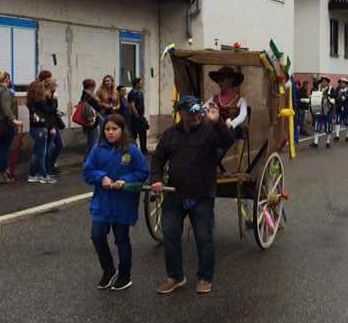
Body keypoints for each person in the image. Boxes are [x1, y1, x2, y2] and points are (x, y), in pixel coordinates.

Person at [150, 96, 235, 296]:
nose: (196, 116)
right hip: (175, 193)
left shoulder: (209, 131)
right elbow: (158, 159)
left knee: (204, 237)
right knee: (170, 234)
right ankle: (175, 277)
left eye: (198, 112)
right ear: (181, 114)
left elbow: (228, 141)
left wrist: (217, 122)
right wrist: (156, 179)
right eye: (191, 113)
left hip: (202, 194)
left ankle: (205, 277)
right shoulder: (170, 134)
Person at [83, 114, 149, 292]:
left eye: (114, 129)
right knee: (97, 236)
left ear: (122, 130)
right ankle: (108, 270)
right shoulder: (97, 149)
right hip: (102, 202)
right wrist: (101, 177)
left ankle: (125, 275)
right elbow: (87, 171)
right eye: (107, 129)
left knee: (121, 239)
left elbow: (143, 172)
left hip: (123, 203)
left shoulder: (131, 150)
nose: (110, 132)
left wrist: (125, 180)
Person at [0, 69, 23, 184]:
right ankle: (3, 174)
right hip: (5, 125)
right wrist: (14, 120)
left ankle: (0, 172)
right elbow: (6, 108)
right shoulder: (5, 92)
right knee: (4, 150)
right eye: (9, 79)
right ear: (7, 79)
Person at [25, 79, 55, 184]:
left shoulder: (31, 101)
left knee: (36, 153)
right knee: (41, 154)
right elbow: (50, 110)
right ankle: (43, 175)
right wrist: (52, 99)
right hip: (41, 129)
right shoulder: (41, 102)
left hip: (33, 128)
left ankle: (32, 174)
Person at [42, 77, 65, 176]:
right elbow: (48, 112)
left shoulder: (52, 95)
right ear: (51, 86)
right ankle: (47, 169)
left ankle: (50, 166)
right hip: (49, 125)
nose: (56, 86)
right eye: (55, 84)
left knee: (59, 145)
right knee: (48, 148)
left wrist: (58, 112)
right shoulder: (45, 96)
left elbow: (53, 110)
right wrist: (51, 127)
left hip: (54, 123)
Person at [79, 79, 102, 158]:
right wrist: (98, 102)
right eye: (94, 86)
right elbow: (97, 107)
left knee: (89, 142)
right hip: (92, 121)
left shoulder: (84, 95)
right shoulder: (89, 96)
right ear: (91, 87)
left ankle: (87, 159)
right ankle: (91, 161)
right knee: (93, 142)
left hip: (87, 121)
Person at [310, 76, 333, 149]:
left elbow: (335, 99)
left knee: (328, 127)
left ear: (327, 83)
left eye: (325, 81)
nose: (323, 83)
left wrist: (330, 100)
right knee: (317, 126)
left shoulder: (331, 89)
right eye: (322, 81)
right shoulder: (317, 89)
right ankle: (315, 142)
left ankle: (328, 142)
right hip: (318, 110)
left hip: (328, 111)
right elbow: (312, 95)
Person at [128, 77, 149, 154]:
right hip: (135, 118)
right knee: (134, 135)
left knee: (143, 133)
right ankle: (134, 150)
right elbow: (132, 106)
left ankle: (144, 150)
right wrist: (137, 116)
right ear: (136, 84)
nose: (142, 84)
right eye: (141, 83)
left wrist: (142, 116)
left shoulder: (140, 92)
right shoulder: (132, 93)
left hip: (141, 116)